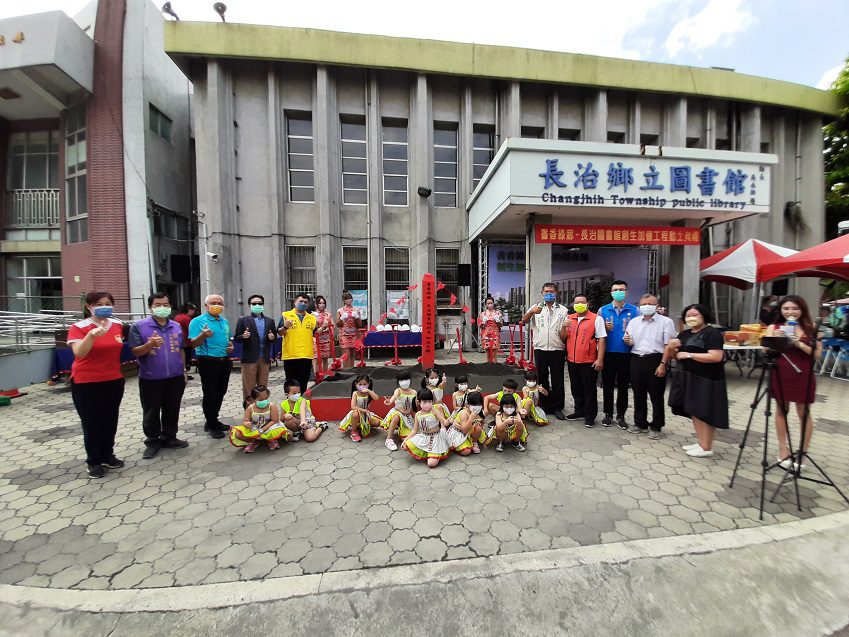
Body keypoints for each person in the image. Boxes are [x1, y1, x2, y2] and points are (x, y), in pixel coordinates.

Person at [67, 292, 127, 479]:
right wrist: (91, 336)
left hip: (113, 379)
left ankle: (107, 454)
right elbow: (80, 353)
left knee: (110, 420)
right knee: (92, 422)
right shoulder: (79, 327)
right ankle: (93, 461)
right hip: (87, 382)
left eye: (108, 303)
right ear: (89, 306)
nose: (104, 306)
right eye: (99, 303)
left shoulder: (117, 325)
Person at [128, 292, 189, 460]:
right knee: (151, 410)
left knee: (172, 408)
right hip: (151, 378)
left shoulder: (176, 326)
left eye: (165, 305)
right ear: (150, 307)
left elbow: (181, 349)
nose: (162, 308)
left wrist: (184, 371)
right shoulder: (139, 326)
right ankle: (153, 441)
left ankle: (170, 437)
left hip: (175, 376)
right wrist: (150, 344)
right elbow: (135, 351)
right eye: (157, 305)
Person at [764, 295, 822, 469]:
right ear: (780, 310)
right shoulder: (774, 327)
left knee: (803, 412)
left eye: (795, 308)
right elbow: (766, 349)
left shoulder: (813, 329)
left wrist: (799, 343)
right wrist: (775, 339)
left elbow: (817, 355)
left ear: (802, 309)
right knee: (782, 410)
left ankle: (802, 453)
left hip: (803, 373)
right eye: (786, 308)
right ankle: (783, 449)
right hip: (781, 372)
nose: (790, 312)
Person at [667, 304, 728, 458]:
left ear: (704, 316)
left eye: (695, 315)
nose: (691, 318)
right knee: (694, 410)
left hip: (707, 379)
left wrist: (689, 355)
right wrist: (671, 348)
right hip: (688, 377)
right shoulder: (685, 334)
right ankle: (701, 442)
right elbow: (676, 357)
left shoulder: (712, 333)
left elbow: (716, 357)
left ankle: (707, 447)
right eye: (688, 315)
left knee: (705, 412)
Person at [623, 294, 676, 440]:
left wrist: (663, 364)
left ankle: (656, 426)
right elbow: (630, 341)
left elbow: (668, 346)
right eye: (643, 303)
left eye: (649, 303)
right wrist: (627, 341)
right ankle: (640, 423)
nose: (646, 306)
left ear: (656, 305)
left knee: (656, 395)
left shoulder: (666, 322)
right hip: (636, 359)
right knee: (638, 393)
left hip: (655, 359)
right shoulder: (634, 322)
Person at [188, 294, 234, 439]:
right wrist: (202, 335)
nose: (217, 305)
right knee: (210, 393)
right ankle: (212, 424)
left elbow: (228, 339)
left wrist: (230, 346)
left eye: (220, 303)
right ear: (205, 305)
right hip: (208, 361)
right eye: (213, 303)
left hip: (224, 360)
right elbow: (193, 343)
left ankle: (212, 420)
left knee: (221, 391)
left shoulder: (224, 321)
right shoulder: (197, 321)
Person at [522, 282, 568, 420]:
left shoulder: (563, 310)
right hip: (540, 348)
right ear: (542, 292)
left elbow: (565, 332)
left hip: (557, 348)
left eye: (551, 292)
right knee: (542, 377)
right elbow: (524, 320)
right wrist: (531, 312)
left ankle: (557, 407)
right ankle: (544, 405)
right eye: (546, 291)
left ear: (556, 293)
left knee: (557, 379)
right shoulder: (536, 307)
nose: (549, 294)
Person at [560, 294, 606, 428]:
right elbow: (563, 338)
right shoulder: (570, 318)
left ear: (587, 304)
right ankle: (579, 410)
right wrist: (564, 326)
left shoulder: (596, 319)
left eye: (582, 302)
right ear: (573, 304)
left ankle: (590, 415)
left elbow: (602, 339)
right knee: (576, 388)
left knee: (589, 389)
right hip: (572, 360)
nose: (579, 305)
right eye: (576, 302)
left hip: (589, 361)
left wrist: (600, 359)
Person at [598, 280, 638, 429]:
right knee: (607, 386)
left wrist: (632, 340)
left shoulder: (635, 311)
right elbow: (597, 334)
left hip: (626, 354)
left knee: (623, 386)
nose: (618, 292)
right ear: (611, 292)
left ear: (626, 292)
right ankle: (608, 414)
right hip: (608, 354)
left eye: (621, 289)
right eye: (615, 289)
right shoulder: (603, 310)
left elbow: (639, 332)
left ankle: (621, 415)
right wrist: (605, 329)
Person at [233, 294, 278, 407]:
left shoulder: (269, 321)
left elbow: (274, 337)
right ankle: (249, 411)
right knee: (249, 387)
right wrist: (243, 336)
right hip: (249, 359)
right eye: (254, 303)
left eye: (260, 303)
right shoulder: (243, 320)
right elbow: (237, 338)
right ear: (250, 305)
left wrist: (272, 338)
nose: (257, 305)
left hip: (264, 358)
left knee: (263, 387)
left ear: (263, 305)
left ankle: (263, 410)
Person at [278, 293, 322, 397]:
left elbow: (313, 333)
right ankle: (289, 405)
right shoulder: (286, 315)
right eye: (301, 301)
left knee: (303, 383)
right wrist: (285, 326)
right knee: (291, 383)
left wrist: (321, 329)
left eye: (306, 302)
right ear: (295, 302)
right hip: (290, 355)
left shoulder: (311, 318)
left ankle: (301, 406)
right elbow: (280, 332)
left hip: (306, 355)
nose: (303, 304)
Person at [229, 385, 290, 453]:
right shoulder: (250, 408)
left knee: (278, 429)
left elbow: (274, 420)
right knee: (238, 433)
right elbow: (245, 421)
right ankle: (253, 441)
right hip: (255, 427)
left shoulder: (271, 406)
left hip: (270, 427)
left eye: (266, 398)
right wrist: (246, 424)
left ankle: (271, 440)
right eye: (261, 400)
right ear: (254, 400)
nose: (264, 401)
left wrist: (262, 430)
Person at [402, 388, 451, 468]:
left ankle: (435, 453)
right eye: (424, 402)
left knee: (431, 464)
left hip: (435, 438)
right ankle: (428, 452)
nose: (427, 404)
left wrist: (448, 420)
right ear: (419, 402)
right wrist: (406, 439)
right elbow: (415, 430)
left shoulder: (434, 411)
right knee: (405, 446)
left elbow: (444, 422)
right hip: (424, 436)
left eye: (430, 401)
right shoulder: (418, 414)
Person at [381, 369, 417, 451]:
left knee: (408, 441)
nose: (404, 382)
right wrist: (389, 401)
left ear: (410, 380)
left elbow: (414, 409)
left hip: (407, 418)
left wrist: (417, 423)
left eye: (406, 379)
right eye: (401, 380)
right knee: (397, 416)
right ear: (398, 381)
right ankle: (389, 439)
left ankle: (402, 434)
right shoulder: (398, 390)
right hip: (397, 413)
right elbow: (393, 398)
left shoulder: (414, 392)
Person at [339, 374, 382, 442]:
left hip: (366, 414)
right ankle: (354, 431)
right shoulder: (355, 393)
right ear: (356, 384)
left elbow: (376, 398)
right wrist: (364, 410)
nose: (362, 386)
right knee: (355, 414)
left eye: (365, 384)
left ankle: (360, 425)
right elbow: (353, 407)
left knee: (377, 423)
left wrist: (369, 391)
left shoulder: (369, 392)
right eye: (360, 384)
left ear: (369, 383)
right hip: (357, 412)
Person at [447, 391, 485, 455]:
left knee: (478, 428)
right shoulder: (463, 413)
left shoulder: (480, 413)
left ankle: (474, 442)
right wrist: (471, 418)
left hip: (470, 431)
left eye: (479, 404)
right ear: (467, 405)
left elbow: (482, 424)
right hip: (460, 433)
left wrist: (478, 425)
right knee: (466, 452)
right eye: (474, 405)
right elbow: (464, 430)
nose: (477, 407)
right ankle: (458, 446)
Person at [336, 291, 362, 369]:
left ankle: (351, 371)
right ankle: (346, 371)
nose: (349, 300)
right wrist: (342, 318)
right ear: (343, 300)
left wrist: (357, 317)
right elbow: (337, 324)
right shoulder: (340, 310)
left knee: (352, 354)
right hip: (344, 335)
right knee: (346, 355)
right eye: (346, 299)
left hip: (354, 335)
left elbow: (359, 325)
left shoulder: (356, 310)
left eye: (350, 298)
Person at [173, 302, 198, 379]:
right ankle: (185, 373)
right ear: (189, 310)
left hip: (178, 341)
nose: (193, 312)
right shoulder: (187, 319)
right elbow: (192, 330)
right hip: (186, 342)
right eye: (193, 310)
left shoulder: (177, 317)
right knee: (186, 359)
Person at [313, 295, 334, 372]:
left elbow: (332, 324)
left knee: (325, 358)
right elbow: (313, 328)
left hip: (326, 338)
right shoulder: (313, 315)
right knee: (316, 359)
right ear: (316, 304)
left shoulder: (328, 314)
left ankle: (325, 375)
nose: (322, 305)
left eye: (323, 303)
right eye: (320, 303)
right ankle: (317, 376)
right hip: (316, 339)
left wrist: (329, 327)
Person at [479, 295, 503, 363]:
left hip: (495, 335)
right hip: (486, 335)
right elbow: (480, 326)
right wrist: (483, 322)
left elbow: (501, 324)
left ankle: (494, 370)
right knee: (488, 355)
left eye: (491, 303)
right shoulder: (483, 314)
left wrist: (497, 320)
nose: (490, 305)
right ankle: (488, 369)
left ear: (493, 303)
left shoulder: (497, 313)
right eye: (488, 303)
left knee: (494, 355)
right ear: (486, 304)